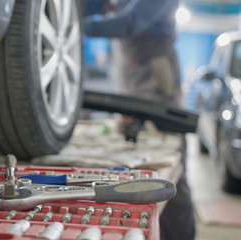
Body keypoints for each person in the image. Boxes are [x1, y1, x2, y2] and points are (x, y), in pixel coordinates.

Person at [83, 1, 195, 240]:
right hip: (129, 90)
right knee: (138, 174)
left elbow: (129, 23)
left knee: (170, 179)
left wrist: (76, 26)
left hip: (158, 91)